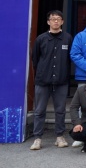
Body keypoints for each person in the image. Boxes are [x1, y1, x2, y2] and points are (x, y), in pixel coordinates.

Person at [30, 10, 72, 150]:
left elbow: (70, 58)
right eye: (53, 19)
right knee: (39, 110)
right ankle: (37, 138)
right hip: (43, 80)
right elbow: (35, 58)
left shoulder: (67, 38)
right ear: (48, 22)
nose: (56, 21)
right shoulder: (41, 39)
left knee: (60, 110)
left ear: (62, 21)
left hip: (61, 80)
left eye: (58, 19)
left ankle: (60, 136)